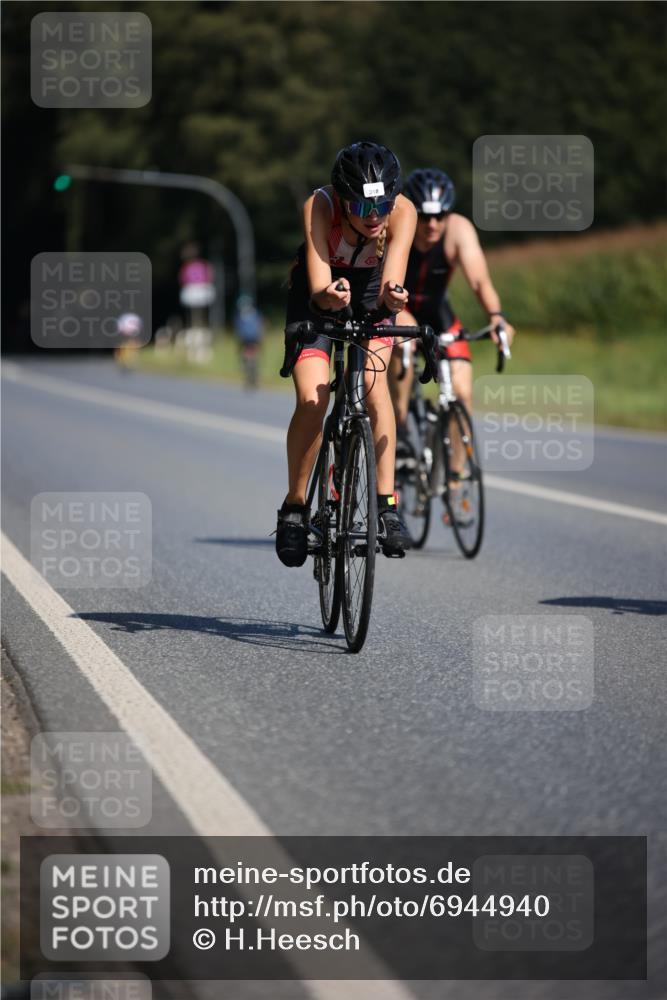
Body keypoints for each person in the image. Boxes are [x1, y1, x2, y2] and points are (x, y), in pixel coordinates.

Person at [276, 141, 417, 567]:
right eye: (362, 206)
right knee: (313, 398)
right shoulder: (320, 206)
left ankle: (387, 505)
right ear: (342, 197)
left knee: (375, 389)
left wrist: (394, 299)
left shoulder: (403, 212)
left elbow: (391, 282)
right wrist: (329, 296)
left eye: (383, 205)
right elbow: (319, 284)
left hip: (370, 290)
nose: (375, 216)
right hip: (317, 295)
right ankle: (296, 508)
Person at [389, 167, 516, 452]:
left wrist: (497, 318)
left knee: (462, 394)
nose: (432, 224)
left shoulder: (458, 229)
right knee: (400, 351)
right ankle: (399, 432)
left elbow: (480, 281)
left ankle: (457, 482)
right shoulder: (395, 225)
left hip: (438, 316)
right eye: (424, 216)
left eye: (440, 216)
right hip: (399, 313)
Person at [233, 295, 264, 389]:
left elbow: (238, 330)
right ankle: (255, 378)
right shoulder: (255, 313)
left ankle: (249, 378)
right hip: (254, 339)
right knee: (255, 358)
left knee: (246, 359)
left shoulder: (240, 316)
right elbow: (261, 325)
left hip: (246, 340)